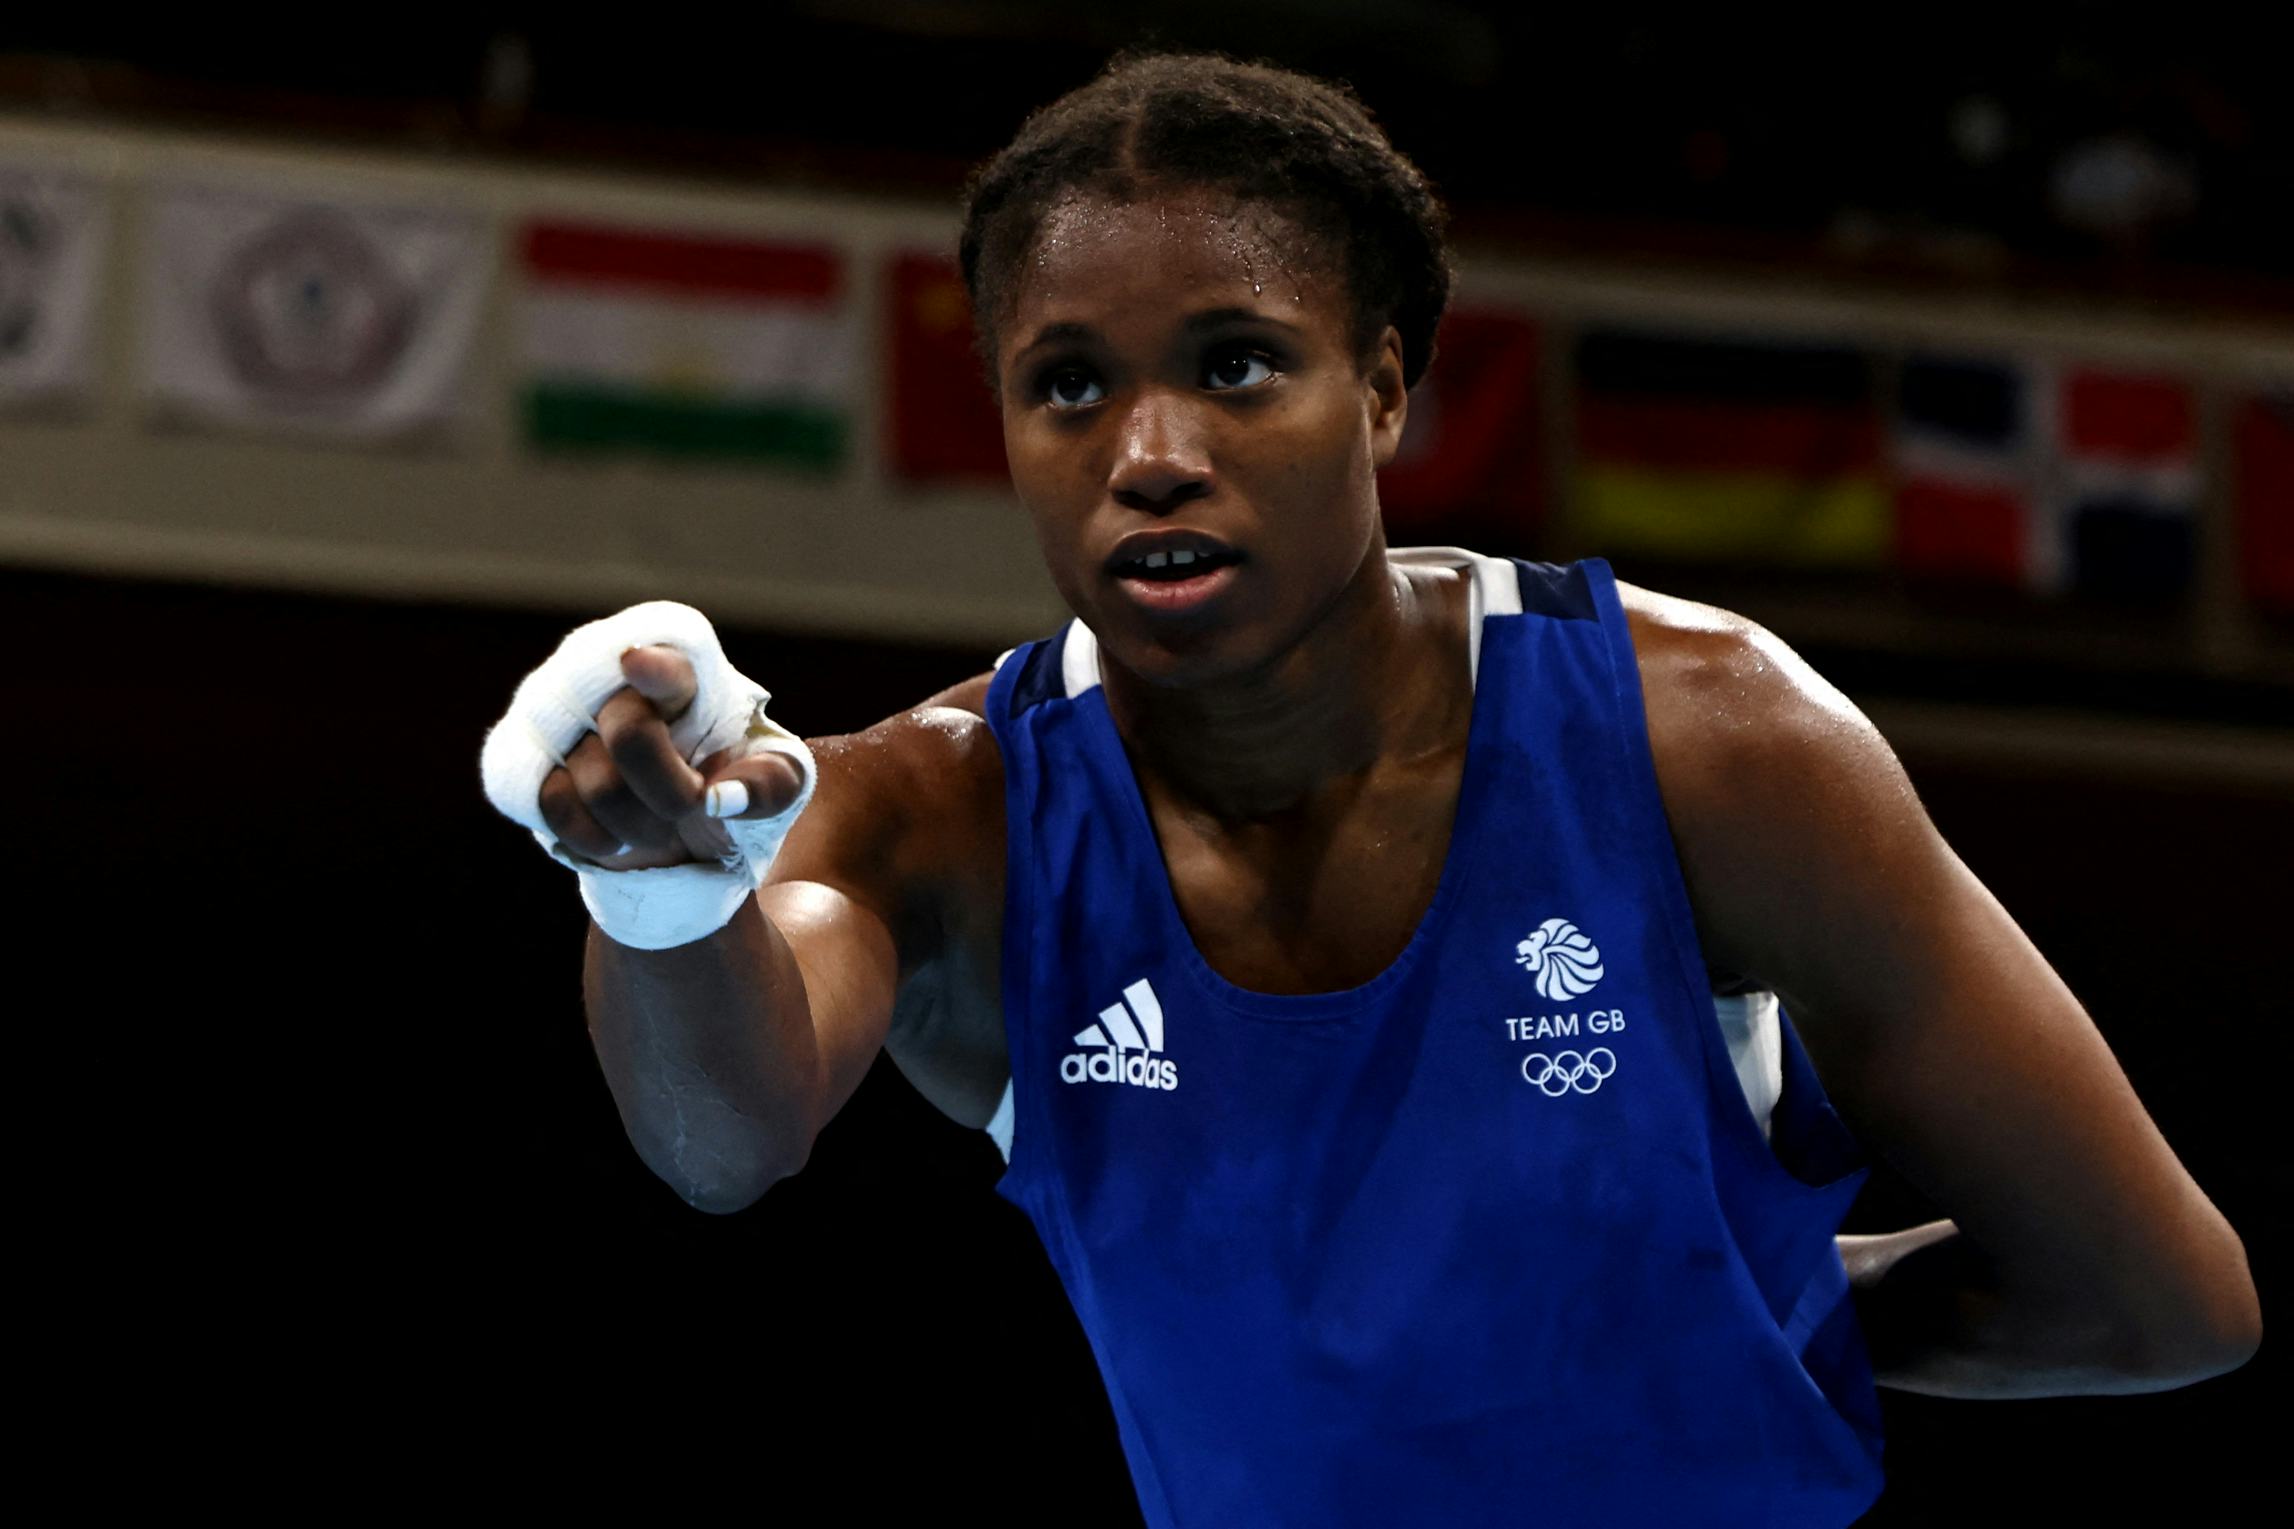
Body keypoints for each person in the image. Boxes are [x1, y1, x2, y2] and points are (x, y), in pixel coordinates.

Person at [480, 52, 2259, 1528]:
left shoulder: (1710, 743)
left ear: (1386, 385)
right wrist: (656, 886)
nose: (1149, 454)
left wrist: (1765, 1303)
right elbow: (722, 1141)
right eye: (1068, 386)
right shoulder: (942, 812)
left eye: (1234, 365)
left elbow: (2157, 1297)